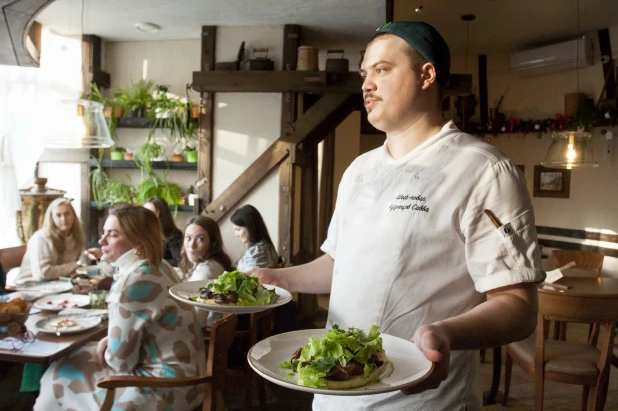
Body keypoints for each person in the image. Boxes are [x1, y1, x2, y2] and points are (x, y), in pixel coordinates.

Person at [254, 21, 544, 411]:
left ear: (427, 75)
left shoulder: (483, 169)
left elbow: (518, 308)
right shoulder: (359, 170)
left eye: (382, 69)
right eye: (364, 73)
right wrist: (277, 278)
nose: (366, 85)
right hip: (333, 394)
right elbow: (340, 264)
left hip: (423, 400)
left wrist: (446, 332)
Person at [34, 205, 205, 410]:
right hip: (192, 381)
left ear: (139, 240)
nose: (101, 241)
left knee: (58, 373)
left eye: (113, 235)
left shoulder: (131, 283)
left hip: (165, 391)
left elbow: (121, 364)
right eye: (103, 233)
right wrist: (110, 340)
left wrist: (110, 346)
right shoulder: (160, 266)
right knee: (75, 358)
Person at [7, 197, 84, 286]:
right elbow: (42, 273)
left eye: (67, 214)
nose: (63, 219)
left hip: (58, 284)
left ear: (73, 216)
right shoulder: (41, 238)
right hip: (31, 285)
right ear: (52, 218)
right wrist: (74, 266)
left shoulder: (76, 236)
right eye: (58, 215)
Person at [180, 215, 233, 327]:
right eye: (188, 238)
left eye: (200, 239)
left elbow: (196, 320)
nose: (191, 245)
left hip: (204, 336)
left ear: (213, 243)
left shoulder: (207, 271)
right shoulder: (213, 263)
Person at [231, 204, 279, 272]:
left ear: (250, 227)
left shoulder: (257, 252)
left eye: (238, 229)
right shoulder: (266, 246)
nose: (236, 235)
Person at [144, 196, 183, 267]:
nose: (146, 217)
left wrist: (152, 262)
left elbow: (178, 261)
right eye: (144, 213)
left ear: (161, 216)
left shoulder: (174, 235)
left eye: (151, 214)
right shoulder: (143, 234)